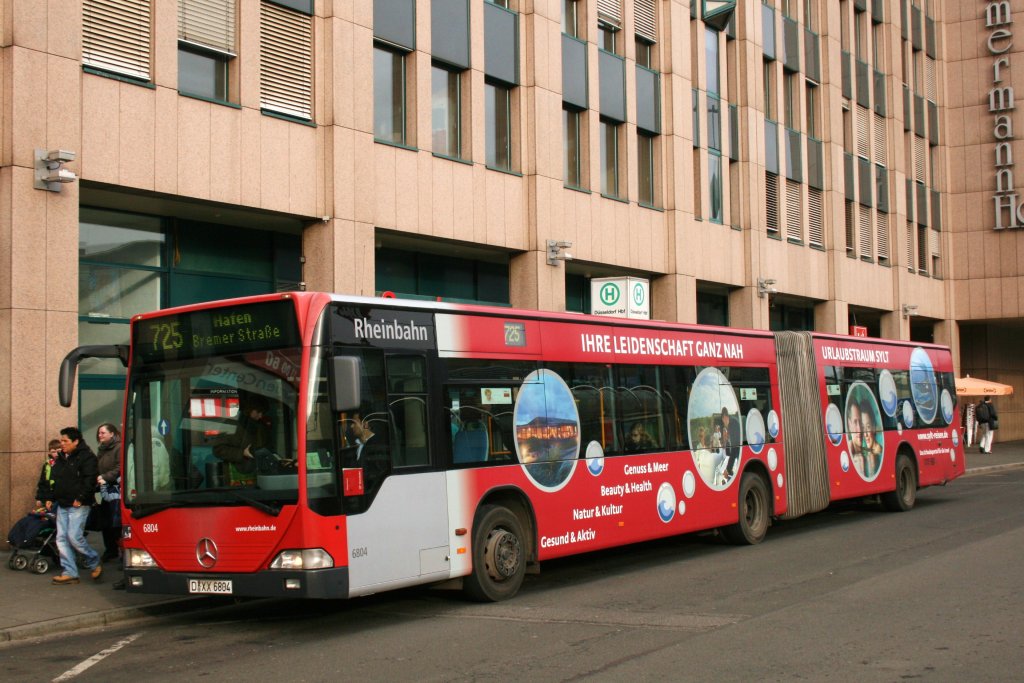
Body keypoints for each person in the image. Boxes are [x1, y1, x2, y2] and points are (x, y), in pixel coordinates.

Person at [46, 427, 102, 585]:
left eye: (65, 441)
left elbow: (90, 480)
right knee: (61, 538)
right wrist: (50, 497)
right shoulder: (62, 458)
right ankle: (69, 572)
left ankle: (94, 561)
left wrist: (81, 497)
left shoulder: (87, 457)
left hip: (78, 504)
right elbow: (55, 479)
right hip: (63, 503)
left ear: (76, 441)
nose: (62, 444)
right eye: (61, 440)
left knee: (74, 537)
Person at [213, 394, 288, 484]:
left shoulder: (262, 427)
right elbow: (218, 450)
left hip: (259, 474)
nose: (260, 416)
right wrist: (242, 453)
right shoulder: (231, 424)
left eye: (263, 413)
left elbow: (268, 448)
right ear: (250, 409)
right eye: (258, 412)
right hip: (236, 476)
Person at [95, 423, 121, 561]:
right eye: (99, 433)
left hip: (116, 489)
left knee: (116, 523)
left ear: (112, 434)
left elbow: (119, 467)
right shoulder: (102, 449)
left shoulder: (119, 447)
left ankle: (120, 549)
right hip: (105, 488)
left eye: (103, 433)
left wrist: (105, 477)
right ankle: (110, 550)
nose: (100, 435)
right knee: (105, 522)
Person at [34, 439, 61, 510]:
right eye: (53, 452)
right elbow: (42, 482)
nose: (56, 454)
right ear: (50, 452)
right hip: (48, 498)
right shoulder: (47, 464)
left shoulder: (65, 463)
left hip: (59, 498)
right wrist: (39, 498)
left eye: (58, 451)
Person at [859, 405, 883, 477]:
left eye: (868, 427)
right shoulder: (867, 451)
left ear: (874, 427)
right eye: (863, 428)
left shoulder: (879, 452)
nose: (865, 434)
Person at [721, 408, 741, 482]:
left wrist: (728, 469)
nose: (723, 423)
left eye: (723, 420)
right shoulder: (732, 422)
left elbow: (735, 448)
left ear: (724, 417)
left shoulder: (732, 424)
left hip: (740, 451)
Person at [846, 402, 865, 475]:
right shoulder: (849, 453)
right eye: (855, 422)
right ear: (849, 424)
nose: (859, 430)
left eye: (860, 422)